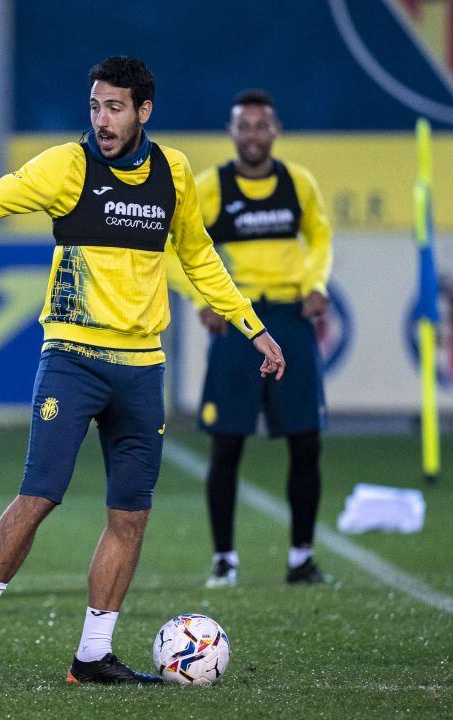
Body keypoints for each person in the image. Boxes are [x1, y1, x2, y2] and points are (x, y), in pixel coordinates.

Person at [0, 56, 286, 687]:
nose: (102, 119)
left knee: (130, 514)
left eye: (115, 107)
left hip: (143, 367)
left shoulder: (173, 172)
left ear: (144, 111)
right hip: (72, 360)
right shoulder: (68, 167)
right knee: (39, 495)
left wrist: (253, 328)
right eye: (95, 106)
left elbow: (199, 255)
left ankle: (93, 654)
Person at [168, 89, 333, 587]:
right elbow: (176, 244)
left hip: (289, 317)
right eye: (244, 125)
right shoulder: (211, 187)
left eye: (262, 125)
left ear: (275, 131)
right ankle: (225, 560)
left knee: (306, 443)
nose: (254, 134)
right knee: (227, 446)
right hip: (239, 322)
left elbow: (320, 237)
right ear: (231, 132)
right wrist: (203, 300)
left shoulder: (297, 183)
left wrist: (317, 285)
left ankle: (301, 559)